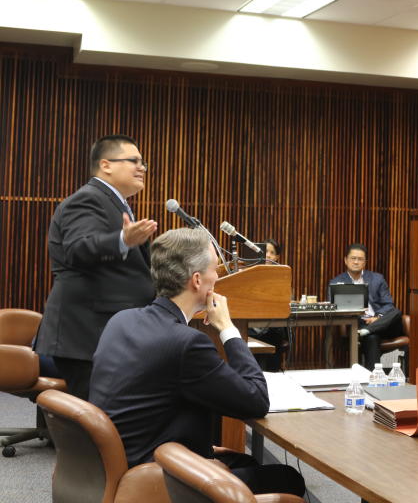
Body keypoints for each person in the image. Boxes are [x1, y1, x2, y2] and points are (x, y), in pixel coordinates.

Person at [89, 228, 305, 496]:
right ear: (197, 280)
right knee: (286, 478)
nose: (218, 277)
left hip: (113, 466)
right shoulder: (187, 343)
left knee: (246, 462)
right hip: (153, 479)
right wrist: (227, 327)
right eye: (215, 270)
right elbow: (257, 400)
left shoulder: (121, 320)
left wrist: (200, 451)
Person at [35, 134, 158, 400]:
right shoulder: (89, 199)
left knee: (104, 420)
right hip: (87, 335)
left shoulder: (115, 203)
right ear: (106, 165)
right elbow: (78, 248)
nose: (142, 168)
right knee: (95, 423)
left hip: (103, 333)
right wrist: (123, 239)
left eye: (143, 162)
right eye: (134, 161)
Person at [329, 243, 404, 371]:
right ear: (346, 260)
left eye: (360, 259)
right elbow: (334, 308)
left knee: (396, 312)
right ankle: (373, 377)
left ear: (365, 262)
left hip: (384, 324)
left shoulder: (377, 279)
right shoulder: (336, 283)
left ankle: (369, 330)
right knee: (372, 337)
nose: (356, 262)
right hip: (360, 324)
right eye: (353, 258)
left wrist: (377, 318)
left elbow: (388, 304)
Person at [250, 238, 289, 372]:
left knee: (275, 335)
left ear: (277, 257)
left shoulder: (282, 274)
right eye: (265, 251)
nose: (268, 255)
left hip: (273, 328)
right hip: (251, 327)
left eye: (272, 253)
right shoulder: (249, 273)